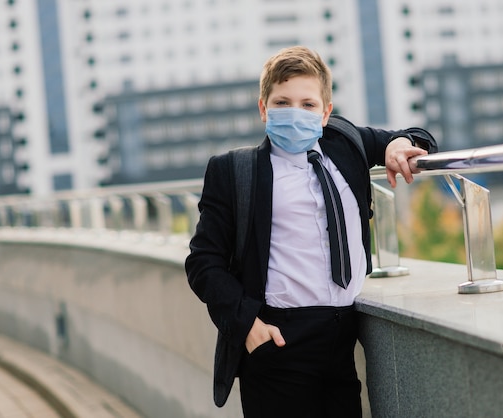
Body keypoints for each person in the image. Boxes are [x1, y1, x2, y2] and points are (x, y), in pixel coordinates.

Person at [185, 45, 437, 418]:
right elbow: (203, 263)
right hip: (279, 341)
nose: (294, 113)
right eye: (282, 103)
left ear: (325, 113)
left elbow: (417, 136)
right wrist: (248, 327)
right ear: (263, 108)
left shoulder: (346, 144)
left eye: (307, 105)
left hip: (343, 336)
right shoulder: (234, 171)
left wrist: (400, 144)